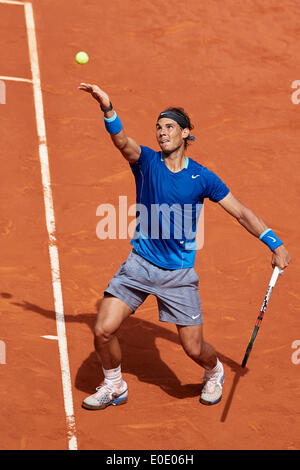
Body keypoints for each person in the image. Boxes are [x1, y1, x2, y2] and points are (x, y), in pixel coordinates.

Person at [78, 83, 291, 410]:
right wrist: (108, 107)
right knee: (103, 330)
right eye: (158, 128)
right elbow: (121, 141)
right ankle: (114, 384)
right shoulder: (146, 161)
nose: (162, 133)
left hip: (177, 276)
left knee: (193, 348)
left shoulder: (203, 178)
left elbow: (242, 212)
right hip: (139, 265)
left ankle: (214, 369)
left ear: (186, 133)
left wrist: (274, 243)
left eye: (169, 127)